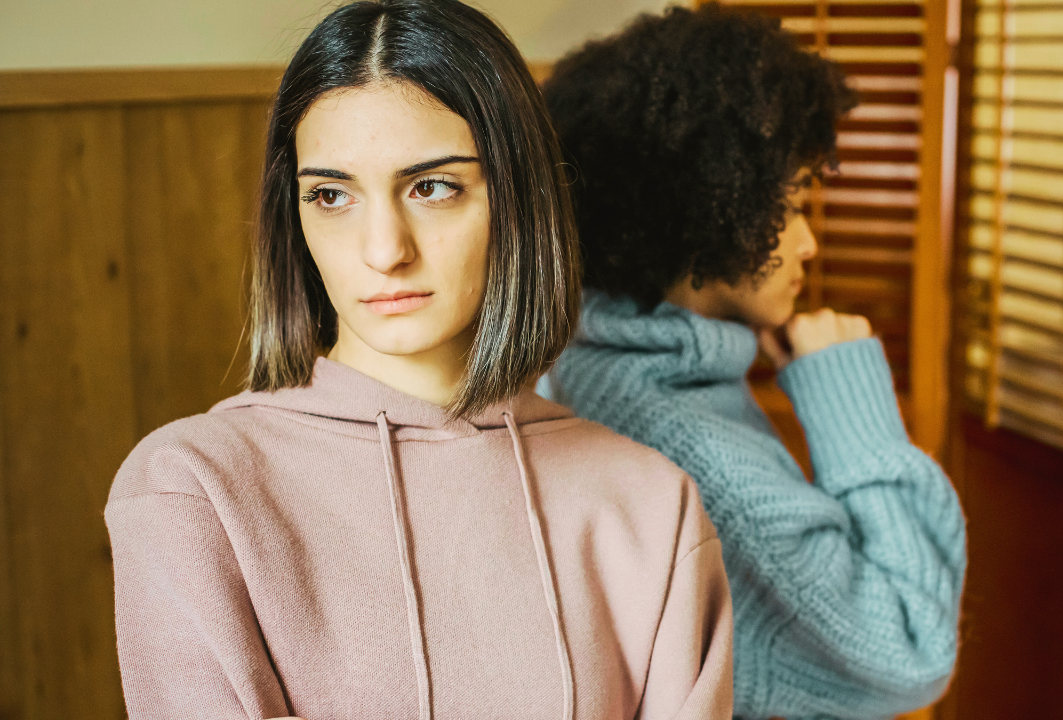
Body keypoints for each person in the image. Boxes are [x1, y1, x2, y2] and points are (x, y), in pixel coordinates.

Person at [104, 2, 733, 718]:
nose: (384, 250)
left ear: (519, 200)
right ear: (295, 213)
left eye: (432, 187)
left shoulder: (651, 505)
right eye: (332, 195)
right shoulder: (193, 489)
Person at [539, 6, 966, 719]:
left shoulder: (585, 359)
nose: (808, 245)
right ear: (710, 208)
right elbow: (913, 652)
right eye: (792, 206)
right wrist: (850, 400)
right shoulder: (695, 452)